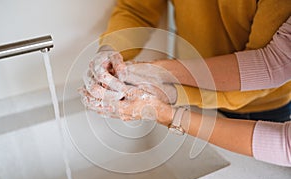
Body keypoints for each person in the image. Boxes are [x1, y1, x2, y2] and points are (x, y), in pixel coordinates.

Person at [79, 16, 291, 167]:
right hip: (199, 97)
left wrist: (172, 96)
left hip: (267, 104)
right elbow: (276, 60)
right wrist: (112, 50)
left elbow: (284, 145)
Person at [92, 0, 291, 122]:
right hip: (191, 94)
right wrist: (110, 49)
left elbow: (267, 66)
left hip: (264, 107)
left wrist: (172, 90)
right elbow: (137, 9)